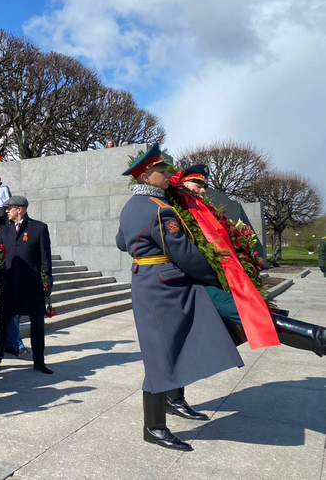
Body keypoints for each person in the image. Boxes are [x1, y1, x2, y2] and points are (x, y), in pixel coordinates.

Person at [115, 144, 244, 452]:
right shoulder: (159, 209)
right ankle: (154, 428)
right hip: (163, 285)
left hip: (147, 281)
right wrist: (214, 276)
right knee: (161, 355)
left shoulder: (130, 206)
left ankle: (171, 405)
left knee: (168, 348)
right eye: (163, 171)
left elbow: (122, 242)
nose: (168, 175)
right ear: (147, 176)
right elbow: (182, 251)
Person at [174, 164, 326, 356]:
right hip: (194, 284)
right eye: (198, 184)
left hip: (208, 283)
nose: (203, 190)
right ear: (184, 182)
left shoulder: (200, 209)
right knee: (252, 313)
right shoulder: (176, 210)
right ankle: (320, 339)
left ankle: (319, 339)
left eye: (204, 185)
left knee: (255, 313)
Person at [0, 195, 53, 374]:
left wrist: (47, 280)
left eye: (9, 208)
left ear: (20, 209)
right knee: (2, 323)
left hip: (32, 286)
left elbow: (45, 259)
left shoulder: (39, 228)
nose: (6, 211)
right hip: (9, 285)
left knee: (37, 324)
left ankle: (39, 361)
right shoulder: (4, 231)